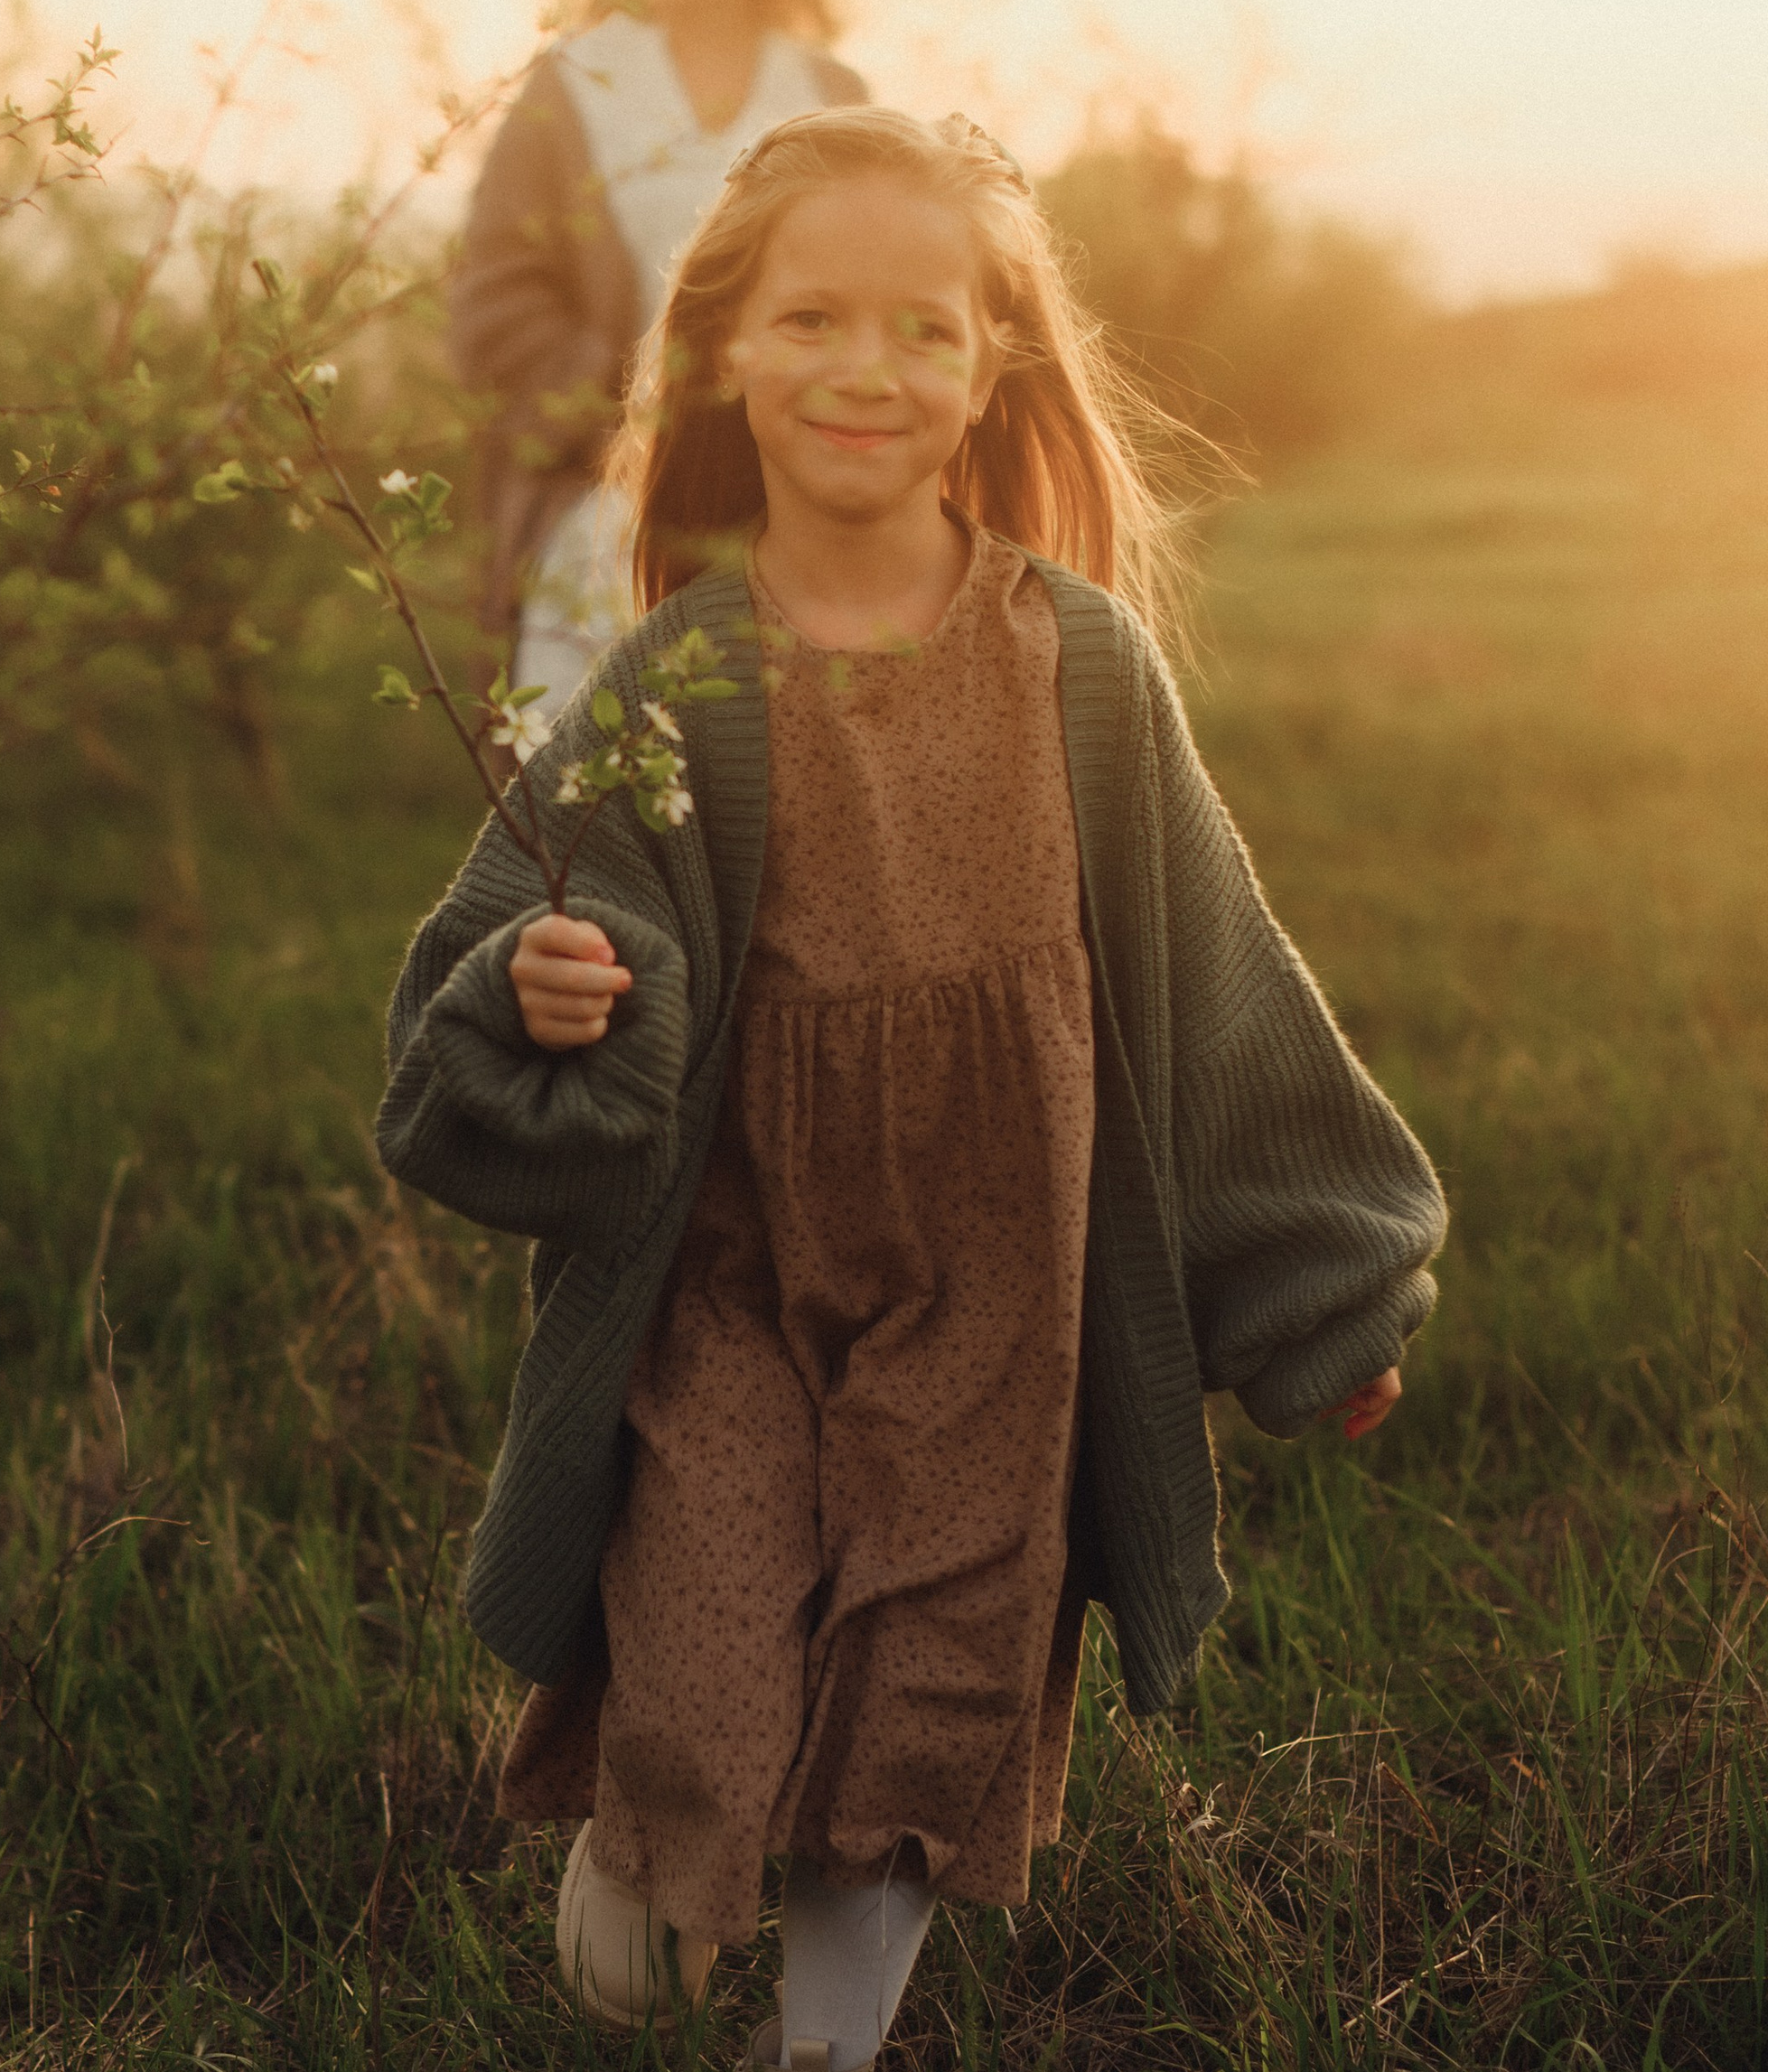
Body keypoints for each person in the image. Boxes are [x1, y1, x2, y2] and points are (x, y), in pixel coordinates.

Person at [380, 107, 1445, 2071]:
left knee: (922, 1700)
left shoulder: (1080, 669)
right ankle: (644, 1845)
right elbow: (503, 950)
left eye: (918, 330)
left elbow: (1217, 995)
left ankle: (826, 2048)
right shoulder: (678, 682)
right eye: (808, 319)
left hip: (999, 1280)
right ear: (723, 354)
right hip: (732, 1273)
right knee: (700, 1692)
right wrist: (544, 992)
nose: (862, 369)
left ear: (986, 371)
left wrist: (1318, 1295)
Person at [450, 0, 866, 712]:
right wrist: (615, 399)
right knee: (586, 768)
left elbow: (882, 281)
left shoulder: (827, 95)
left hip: (784, 494)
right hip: (607, 496)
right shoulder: (574, 84)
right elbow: (493, 290)